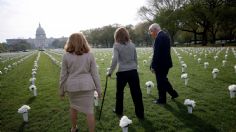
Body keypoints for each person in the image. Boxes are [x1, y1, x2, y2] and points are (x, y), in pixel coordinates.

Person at [59, 33, 101, 132]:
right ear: (83, 41)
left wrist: (61, 90)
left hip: (72, 87)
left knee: (73, 108)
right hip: (87, 86)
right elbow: (95, 74)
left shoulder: (66, 56)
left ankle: (74, 128)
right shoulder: (90, 55)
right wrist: (99, 90)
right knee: (89, 111)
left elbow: (63, 76)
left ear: (70, 42)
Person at [107, 27, 144, 119]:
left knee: (119, 92)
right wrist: (135, 68)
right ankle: (140, 113)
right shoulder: (132, 44)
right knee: (136, 93)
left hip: (122, 72)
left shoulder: (116, 45)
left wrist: (110, 71)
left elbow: (114, 59)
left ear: (117, 35)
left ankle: (119, 110)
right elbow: (135, 58)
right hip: (133, 71)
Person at [149, 23, 178, 104]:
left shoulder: (159, 37)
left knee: (160, 82)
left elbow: (157, 53)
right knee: (163, 80)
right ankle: (173, 94)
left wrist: (153, 66)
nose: (151, 34)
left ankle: (162, 100)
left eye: (151, 31)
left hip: (160, 64)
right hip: (165, 63)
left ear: (155, 29)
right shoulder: (165, 35)